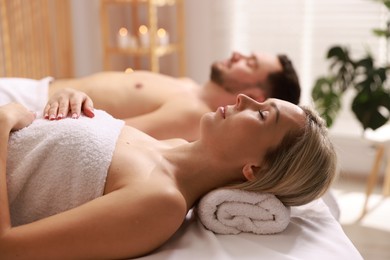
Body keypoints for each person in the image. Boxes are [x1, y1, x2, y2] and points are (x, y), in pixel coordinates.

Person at [0, 93, 336, 259]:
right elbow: (61, 155)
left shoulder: (161, 204)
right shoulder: (170, 145)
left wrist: (3, 123)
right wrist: (69, 102)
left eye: (263, 114)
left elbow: (8, 247)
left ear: (255, 169)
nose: (244, 98)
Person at [45, 51, 301, 141]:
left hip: (45, 112)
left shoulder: (192, 116)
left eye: (250, 62)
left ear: (253, 94)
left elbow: (109, 133)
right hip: (43, 89)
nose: (237, 54)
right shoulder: (188, 85)